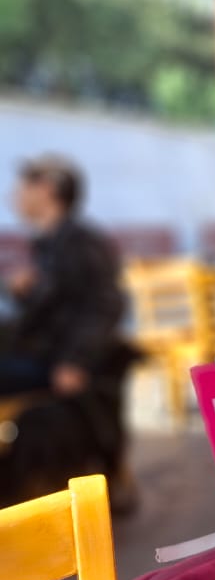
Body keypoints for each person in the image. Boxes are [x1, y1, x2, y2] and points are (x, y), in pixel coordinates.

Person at [0, 156, 134, 509]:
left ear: (47, 189)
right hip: (44, 355)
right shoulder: (51, 243)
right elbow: (66, 303)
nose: (15, 195)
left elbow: (105, 304)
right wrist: (26, 291)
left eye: (24, 186)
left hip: (61, 362)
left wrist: (76, 360)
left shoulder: (79, 241)